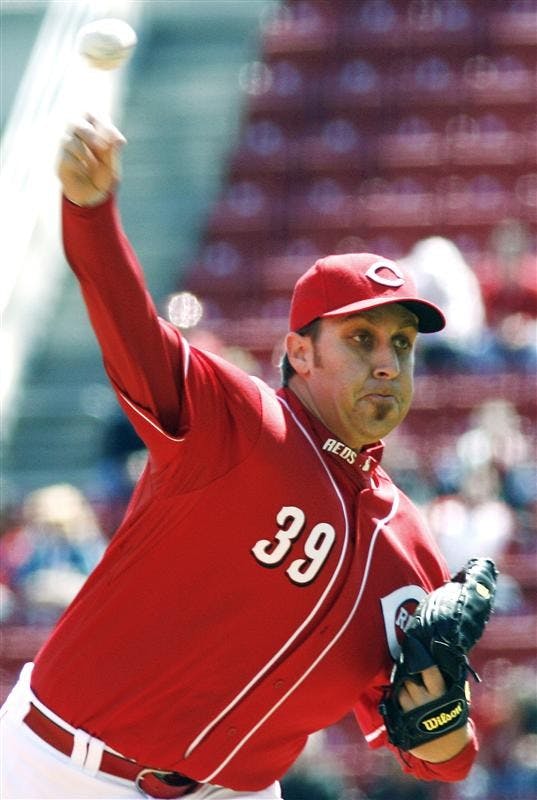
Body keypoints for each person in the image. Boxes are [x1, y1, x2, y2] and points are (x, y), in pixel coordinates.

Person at [1, 116, 481, 799]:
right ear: (299, 353)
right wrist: (89, 210)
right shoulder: (238, 421)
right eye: (363, 337)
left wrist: (440, 709)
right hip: (62, 769)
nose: (386, 361)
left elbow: (443, 761)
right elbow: (128, 325)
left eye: (401, 345)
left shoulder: (407, 552)